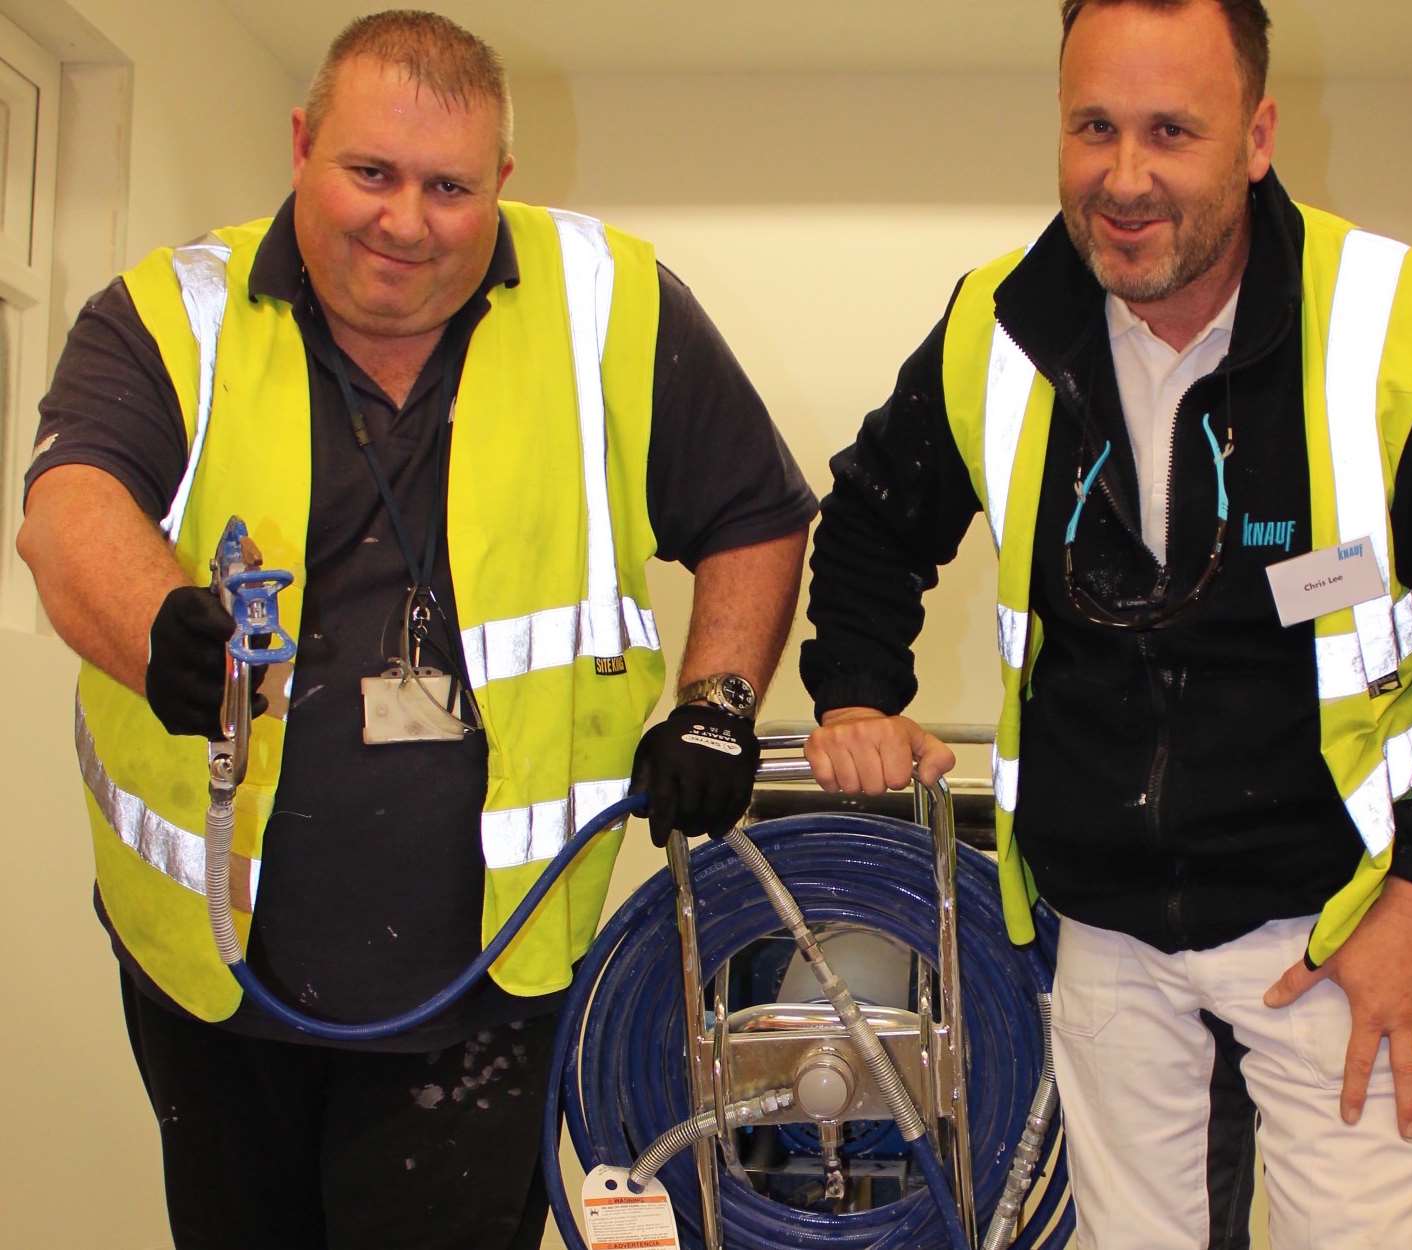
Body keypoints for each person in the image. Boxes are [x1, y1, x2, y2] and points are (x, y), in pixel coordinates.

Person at [17, 11, 815, 1250]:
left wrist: (717, 701)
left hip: (488, 984)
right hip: (214, 984)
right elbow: (70, 511)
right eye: (371, 173)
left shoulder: (609, 301)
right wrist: (158, 626)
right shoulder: (173, 312)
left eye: (448, 186)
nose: (405, 220)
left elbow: (755, 513)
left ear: (499, 182)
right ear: (301, 144)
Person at [800, 1, 1412, 1246]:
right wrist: (855, 688)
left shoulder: (1398, 326)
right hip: (1103, 928)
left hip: (1339, 925)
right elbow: (871, 522)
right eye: (1093, 128)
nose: (1125, 178)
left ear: (1258, 135)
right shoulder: (996, 327)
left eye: (1172, 130)